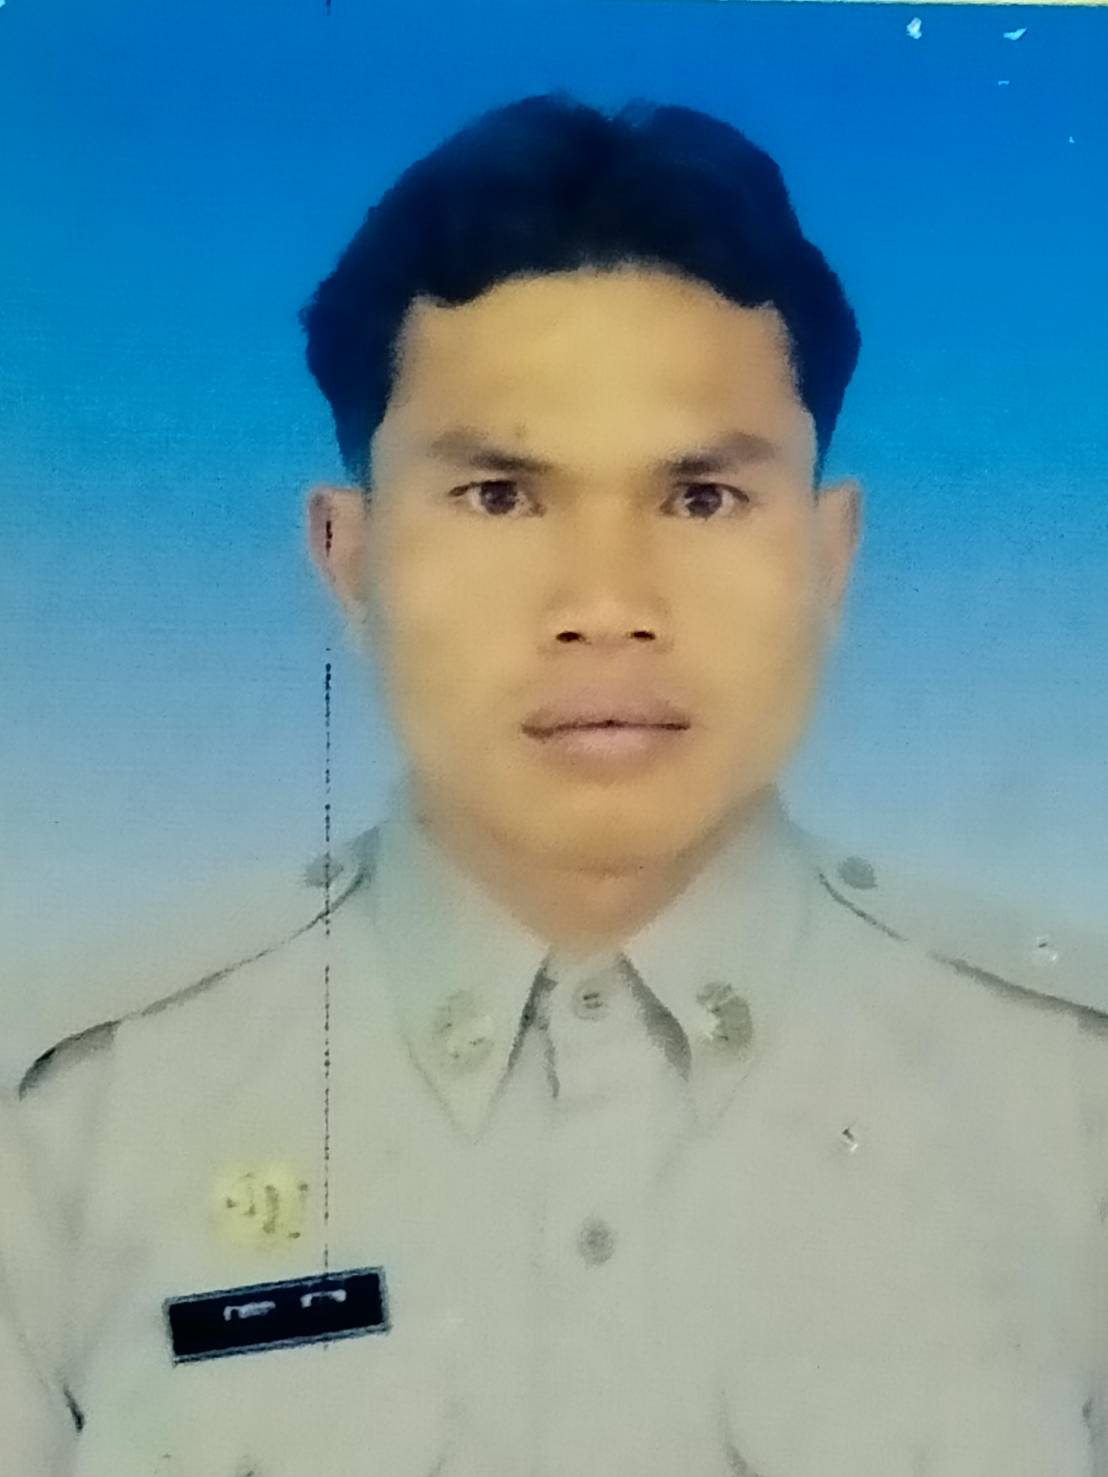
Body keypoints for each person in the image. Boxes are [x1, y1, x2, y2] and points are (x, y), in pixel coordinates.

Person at [2, 90, 1106, 1477]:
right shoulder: (66, 1123)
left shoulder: (1072, 1106)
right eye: (500, 496)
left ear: (829, 555)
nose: (605, 606)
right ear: (348, 555)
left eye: (700, 498)